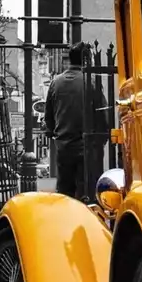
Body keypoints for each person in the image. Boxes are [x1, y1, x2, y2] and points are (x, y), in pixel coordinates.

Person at [45, 42, 106, 202]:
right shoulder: (92, 82)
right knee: (87, 191)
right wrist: (103, 138)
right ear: (86, 60)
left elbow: (49, 117)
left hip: (63, 146)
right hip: (86, 146)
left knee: (65, 192)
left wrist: (54, 133)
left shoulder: (55, 82)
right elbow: (102, 114)